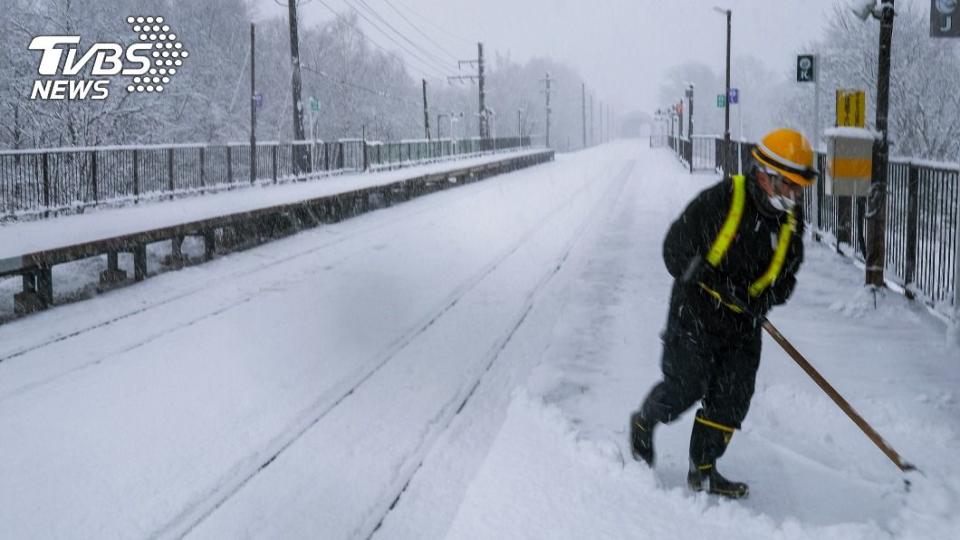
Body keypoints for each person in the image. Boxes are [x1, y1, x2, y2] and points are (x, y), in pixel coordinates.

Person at [630, 128, 817, 499]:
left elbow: (787, 277)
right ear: (764, 175)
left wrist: (764, 300)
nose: (794, 197)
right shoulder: (723, 200)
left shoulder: (790, 224)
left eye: (799, 189)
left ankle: (703, 470)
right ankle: (643, 421)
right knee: (685, 388)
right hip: (696, 313)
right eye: (789, 187)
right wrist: (710, 280)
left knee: (731, 399)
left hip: (744, 323)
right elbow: (674, 249)